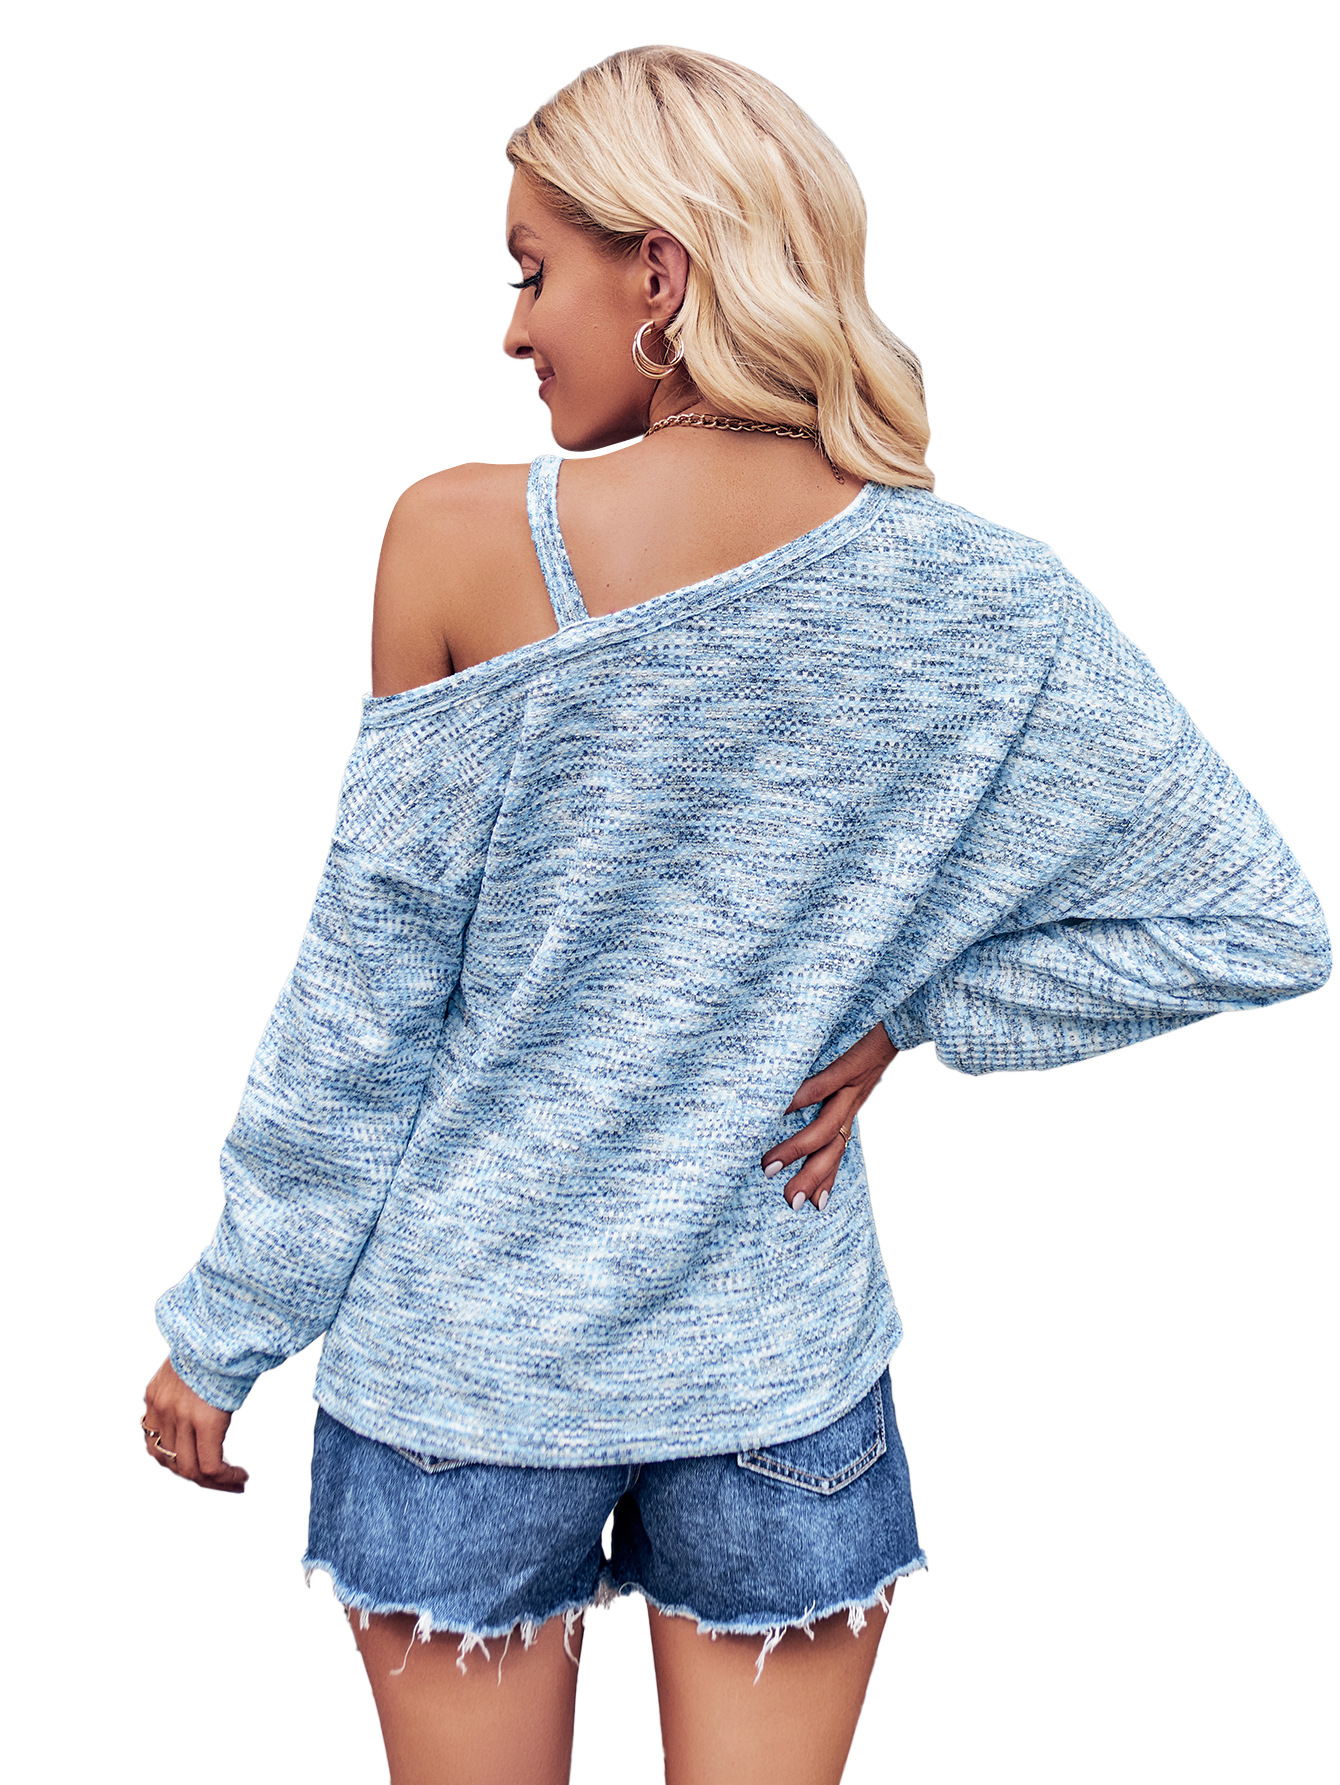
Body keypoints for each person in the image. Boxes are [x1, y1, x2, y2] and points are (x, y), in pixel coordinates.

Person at [142, 44, 1330, 1785]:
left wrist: (224, 1327)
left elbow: (362, 1012)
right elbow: (1253, 921)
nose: (512, 330)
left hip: (468, 1379)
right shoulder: (982, 596)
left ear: (662, 274)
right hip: (780, 1374)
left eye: (530, 270)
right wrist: (914, 1011)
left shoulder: (457, 542)